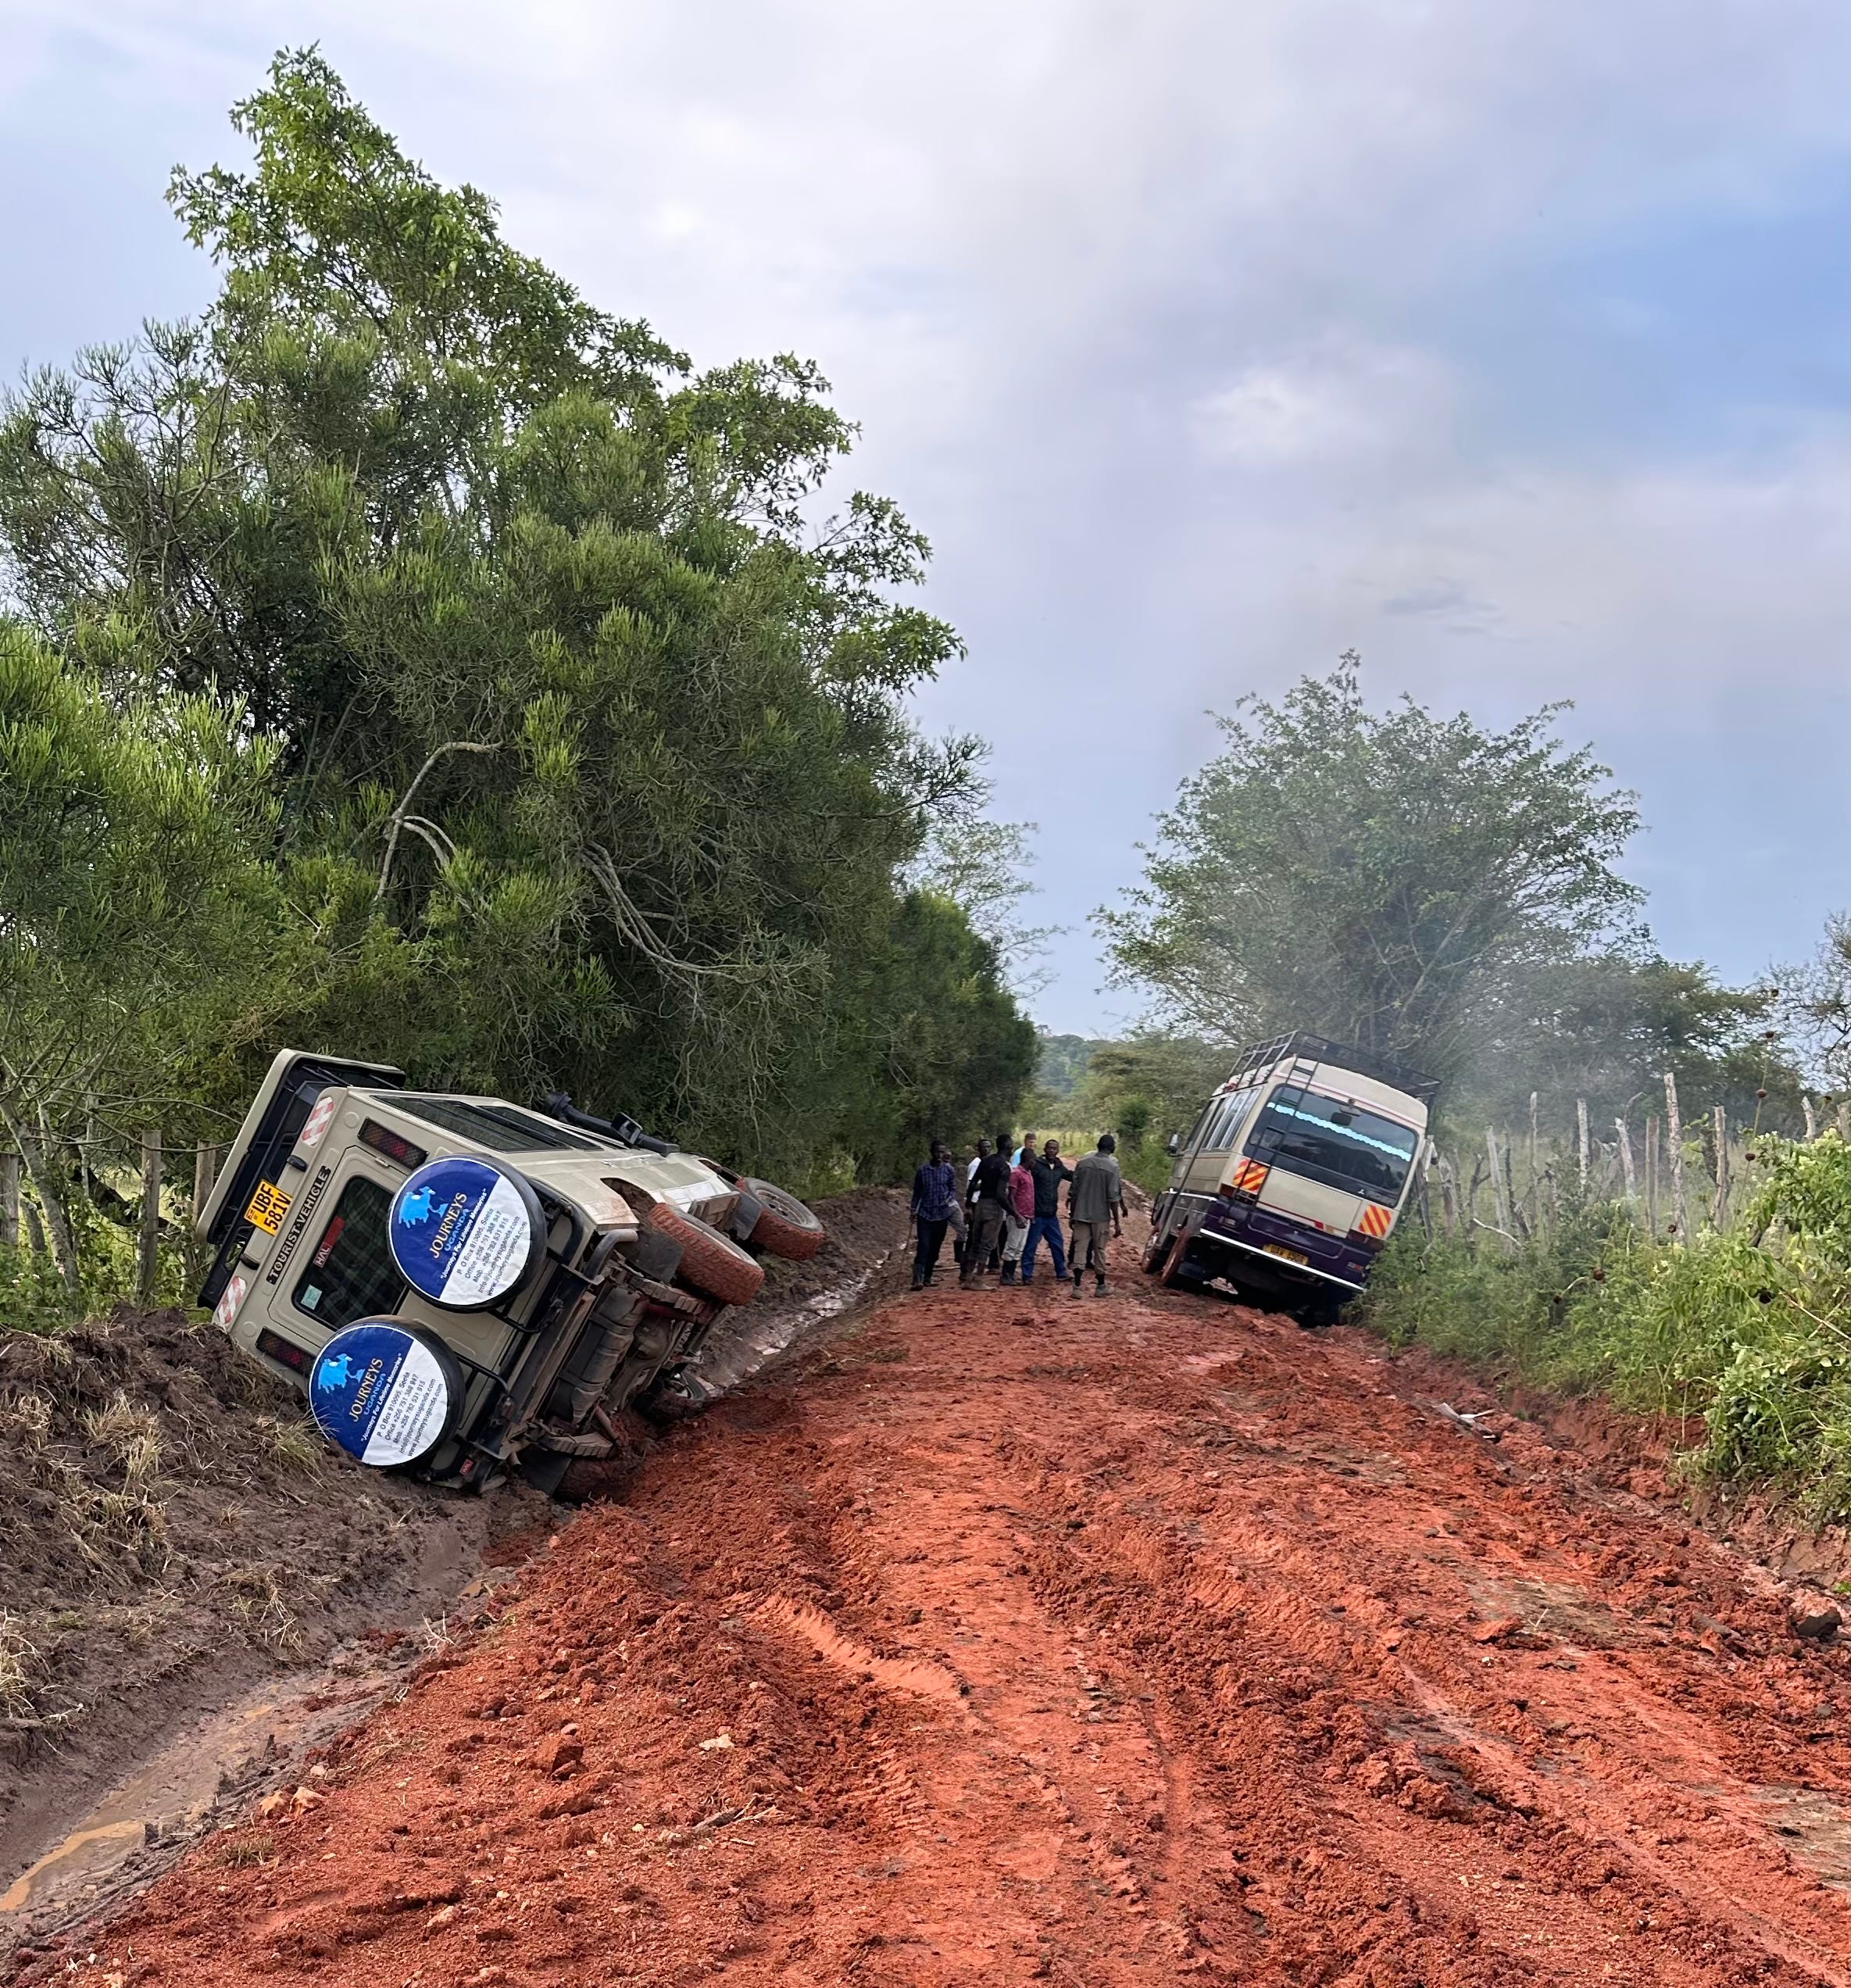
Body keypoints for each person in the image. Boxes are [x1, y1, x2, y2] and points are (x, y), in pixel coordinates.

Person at [1067, 1133, 1124, 1295]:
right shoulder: (1112, 1167)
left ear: (1098, 1146)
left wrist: (1073, 1214)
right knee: (1099, 1250)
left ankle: (1077, 1287)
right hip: (1101, 1216)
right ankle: (1100, 1286)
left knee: (1080, 1248)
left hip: (1081, 1213)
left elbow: (1074, 1191)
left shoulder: (1083, 1163)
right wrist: (1117, 1222)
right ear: (1112, 1148)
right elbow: (1113, 1198)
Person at [961, 1128, 1015, 1286]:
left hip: (980, 1204)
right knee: (987, 1245)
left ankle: (968, 1277)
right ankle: (978, 1280)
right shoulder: (1004, 1167)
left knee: (975, 1242)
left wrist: (969, 1205)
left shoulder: (985, 1161)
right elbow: (1000, 1194)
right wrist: (1014, 1213)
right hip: (994, 1207)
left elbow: (973, 1183)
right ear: (1008, 1147)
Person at [1022, 1138, 1073, 1284]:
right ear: (1045, 1149)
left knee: (1057, 1243)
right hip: (1037, 1213)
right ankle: (1027, 1275)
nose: (1052, 1150)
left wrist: (1085, 1172)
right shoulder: (1037, 1165)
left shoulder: (1058, 1166)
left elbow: (1071, 1176)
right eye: (1049, 1148)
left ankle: (1061, 1272)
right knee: (1031, 1245)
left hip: (1051, 1214)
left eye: (1054, 1148)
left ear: (1058, 1151)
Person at [909, 1140, 959, 1289]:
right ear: (932, 1152)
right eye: (937, 1152)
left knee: (935, 1247)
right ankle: (917, 1279)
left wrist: (948, 1200)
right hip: (925, 1214)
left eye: (942, 1152)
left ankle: (928, 1277)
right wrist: (913, 1210)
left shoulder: (949, 1170)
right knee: (924, 1245)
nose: (940, 1155)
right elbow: (917, 1192)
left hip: (942, 1214)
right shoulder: (923, 1171)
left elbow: (953, 1189)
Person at [999, 1144, 1035, 1284]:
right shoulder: (1016, 1174)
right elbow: (1011, 1196)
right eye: (1033, 1160)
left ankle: (1011, 1274)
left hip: (1026, 1215)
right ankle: (1005, 1275)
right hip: (1017, 1215)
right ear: (1028, 1159)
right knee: (1012, 1245)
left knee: (1019, 1247)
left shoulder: (1028, 1174)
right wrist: (1016, 1214)